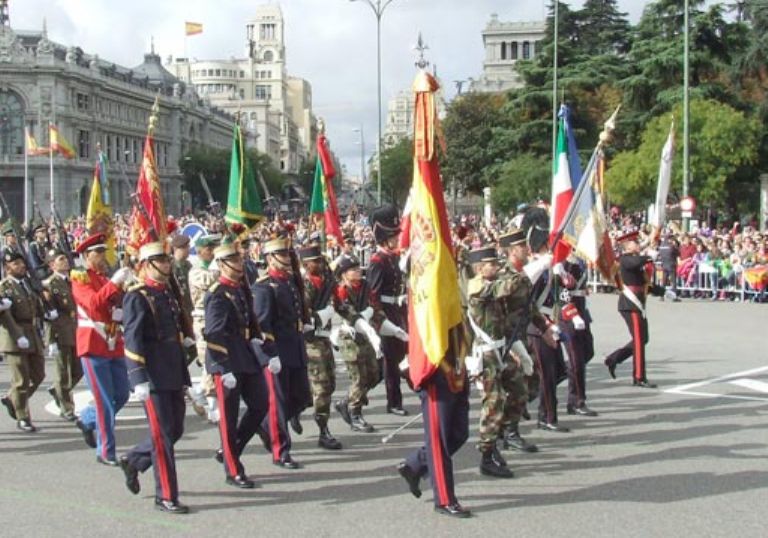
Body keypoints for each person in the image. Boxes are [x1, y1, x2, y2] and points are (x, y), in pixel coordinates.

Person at [120, 242, 191, 514]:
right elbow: (133, 338)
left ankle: (135, 459)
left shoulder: (167, 292)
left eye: (166, 259)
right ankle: (165, 495)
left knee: (175, 430)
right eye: (160, 260)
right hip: (152, 373)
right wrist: (137, 376)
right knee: (162, 437)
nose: (166, 264)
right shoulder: (137, 296)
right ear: (146, 264)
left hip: (172, 368)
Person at [205, 240, 270, 488]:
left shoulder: (240, 288)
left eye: (239, 259)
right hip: (227, 359)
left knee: (260, 404)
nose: (239, 264)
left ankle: (231, 450)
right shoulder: (218, 293)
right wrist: (222, 366)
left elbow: (250, 319)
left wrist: (257, 337)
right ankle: (233, 470)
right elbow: (213, 333)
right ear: (221, 264)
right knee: (229, 418)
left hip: (245, 355)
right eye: (233, 260)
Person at [71, 233, 132, 465]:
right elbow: (94, 304)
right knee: (105, 400)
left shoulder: (104, 277)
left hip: (113, 343)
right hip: (93, 343)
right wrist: (115, 283)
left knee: (122, 394)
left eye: (103, 252)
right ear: (87, 256)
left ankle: (88, 420)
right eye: (97, 252)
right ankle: (106, 451)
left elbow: (117, 305)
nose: (102, 256)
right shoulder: (80, 278)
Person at [252, 237, 311, 468]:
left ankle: (265, 425)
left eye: (288, 254)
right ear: (269, 259)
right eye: (282, 255)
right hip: (277, 351)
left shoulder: (289, 281)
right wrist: (270, 354)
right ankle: (281, 451)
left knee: (301, 397)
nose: (287, 258)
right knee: (278, 403)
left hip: (294, 347)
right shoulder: (264, 287)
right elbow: (262, 325)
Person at [0, 250, 51, 432]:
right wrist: (17, 335)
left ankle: (11, 399)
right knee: (21, 380)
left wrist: (47, 312)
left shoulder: (27, 284)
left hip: (32, 332)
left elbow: (35, 306)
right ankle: (23, 417)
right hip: (14, 336)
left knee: (38, 375)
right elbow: (4, 316)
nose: (21, 266)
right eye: (15, 264)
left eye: (22, 263)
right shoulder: (4, 287)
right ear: (7, 268)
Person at [299, 243, 342, 450]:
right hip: (309, 340)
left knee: (330, 384)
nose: (320, 263)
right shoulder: (303, 284)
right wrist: (320, 316)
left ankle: (295, 408)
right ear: (306, 265)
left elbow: (340, 305)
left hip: (324, 338)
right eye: (315, 261)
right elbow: (301, 316)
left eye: (320, 259)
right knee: (322, 386)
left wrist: (359, 322)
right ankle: (323, 430)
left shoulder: (326, 280)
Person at [367, 205, 410, 416]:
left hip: (398, 309)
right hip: (385, 314)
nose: (396, 239)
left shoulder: (393, 257)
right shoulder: (377, 261)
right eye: (392, 236)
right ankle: (393, 402)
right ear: (383, 238)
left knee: (403, 354)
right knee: (391, 361)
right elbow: (372, 295)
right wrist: (381, 322)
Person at [332, 254, 381, 433]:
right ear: (344, 274)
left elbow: (376, 306)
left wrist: (377, 322)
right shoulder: (342, 290)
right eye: (353, 269)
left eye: (358, 268)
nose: (358, 271)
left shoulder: (365, 286)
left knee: (375, 375)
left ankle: (346, 402)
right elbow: (348, 313)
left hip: (366, 335)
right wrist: (364, 319)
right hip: (350, 337)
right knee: (358, 377)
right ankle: (355, 415)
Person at [604, 231, 657, 388]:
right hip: (630, 304)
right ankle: (639, 377)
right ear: (627, 246)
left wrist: (662, 291)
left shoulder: (634, 261)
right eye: (635, 242)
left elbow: (644, 283)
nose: (638, 244)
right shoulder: (625, 260)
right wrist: (649, 256)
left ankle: (614, 359)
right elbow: (634, 263)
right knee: (639, 340)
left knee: (643, 339)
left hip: (638, 303)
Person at [42, 248, 81, 421]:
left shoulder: (73, 280)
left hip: (76, 330)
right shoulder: (49, 284)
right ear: (51, 265)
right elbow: (48, 315)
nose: (65, 261)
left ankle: (58, 390)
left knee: (79, 370)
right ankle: (67, 408)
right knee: (64, 371)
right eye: (60, 259)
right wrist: (50, 340)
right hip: (61, 332)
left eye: (65, 258)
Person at [188, 234, 221, 422]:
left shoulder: (214, 266)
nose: (212, 253)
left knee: (216, 359)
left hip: (216, 318)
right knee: (209, 360)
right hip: (202, 319)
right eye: (209, 249)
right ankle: (212, 406)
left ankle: (200, 393)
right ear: (200, 252)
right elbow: (210, 281)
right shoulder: (196, 270)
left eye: (214, 249)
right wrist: (219, 266)